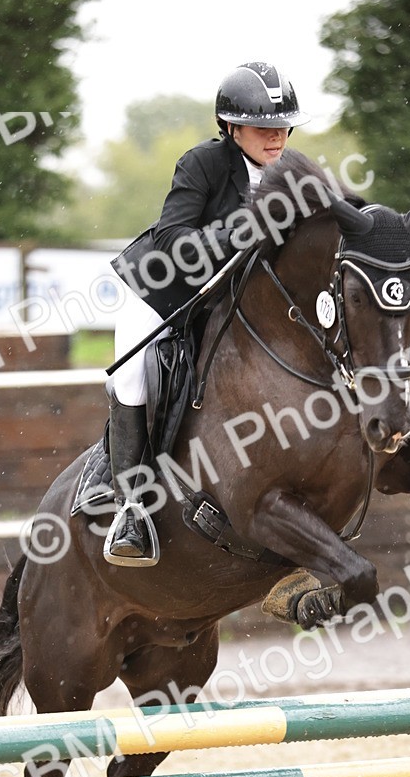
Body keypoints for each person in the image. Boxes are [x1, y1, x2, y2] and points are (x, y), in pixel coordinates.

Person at [104, 61, 309, 566]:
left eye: (283, 127)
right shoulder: (201, 164)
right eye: (264, 128)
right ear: (232, 128)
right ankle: (130, 507)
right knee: (132, 377)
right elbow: (174, 239)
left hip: (229, 302)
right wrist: (244, 226)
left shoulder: (295, 173)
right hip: (160, 293)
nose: (277, 137)